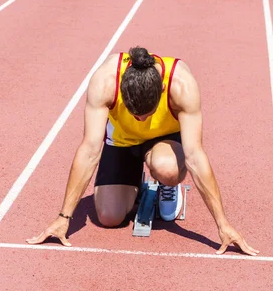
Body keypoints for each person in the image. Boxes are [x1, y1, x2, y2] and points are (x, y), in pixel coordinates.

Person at [26, 46, 258, 256]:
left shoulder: (182, 84)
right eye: (135, 114)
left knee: (166, 169)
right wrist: (64, 217)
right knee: (109, 217)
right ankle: (134, 180)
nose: (141, 119)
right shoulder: (105, 81)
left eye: (148, 113)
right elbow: (89, 150)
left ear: (163, 89)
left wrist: (222, 223)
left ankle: (167, 185)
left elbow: (195, 156)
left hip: (164, 142)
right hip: (122, 142)